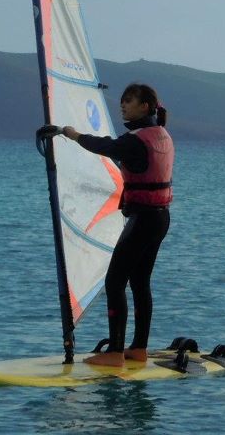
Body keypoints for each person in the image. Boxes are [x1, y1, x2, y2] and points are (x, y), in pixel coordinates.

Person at [62, 83, 174, 367]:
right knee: (139, 282)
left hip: (144, 220)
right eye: (122, 101)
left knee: (115, 281)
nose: (122, 105)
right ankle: (138, 349)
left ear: (144, 106)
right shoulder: (161, 134)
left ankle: (115, 352)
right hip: (159, 218)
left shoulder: (135, 140)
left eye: (128, 101)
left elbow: (106, 146)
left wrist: (72, 134)